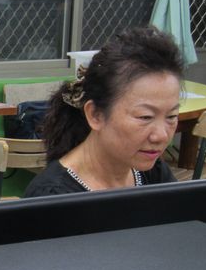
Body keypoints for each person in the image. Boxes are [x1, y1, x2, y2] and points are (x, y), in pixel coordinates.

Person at [24, 26, 183, 197]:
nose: (161, 136)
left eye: (171, 116)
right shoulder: (53, 197)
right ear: (95, 115)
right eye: (145, 117)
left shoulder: (153, 175)